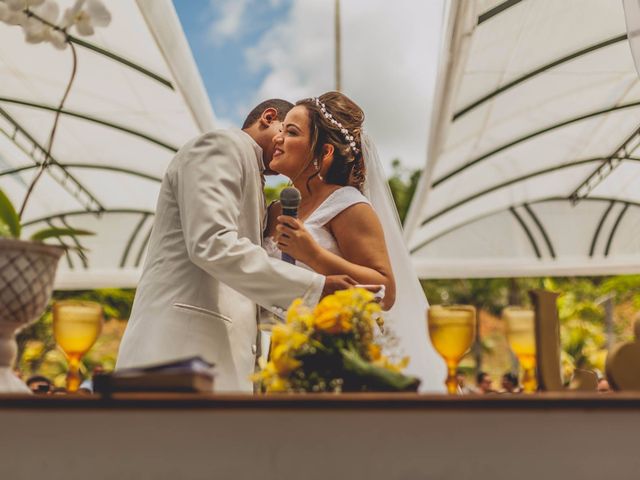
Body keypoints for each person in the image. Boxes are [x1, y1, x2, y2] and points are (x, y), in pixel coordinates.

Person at [116, 99, 356, 392]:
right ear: (269, 118)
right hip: (175, 353)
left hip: (220, 365)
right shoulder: (221, 146)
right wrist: (312, 289)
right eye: (287, 130)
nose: (285, 144)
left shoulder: (255, 177)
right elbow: (212, 243)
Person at [264, 91, 446, 391]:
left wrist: (315, 256)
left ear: (324, 153)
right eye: (281, 130)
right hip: (277, 357)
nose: (279, 139)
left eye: (292, 132)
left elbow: (385, 289)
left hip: (334, 358)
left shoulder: (347, 205)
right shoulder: (274, 210)